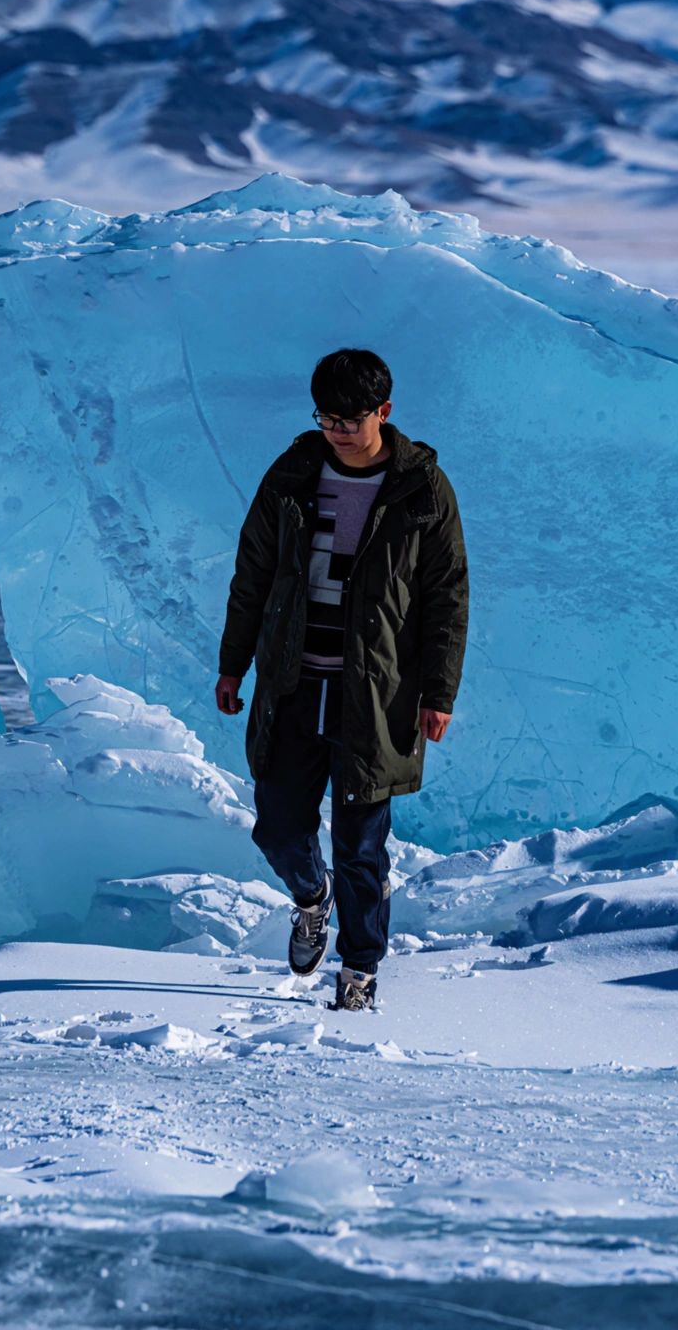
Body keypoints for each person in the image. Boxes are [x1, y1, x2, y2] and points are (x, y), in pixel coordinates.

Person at [214, 347, 469, 1011]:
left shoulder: (422, 488)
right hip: (294, 684)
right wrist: (233, 663)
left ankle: (359, 971)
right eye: (325, 418)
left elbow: (447, 595)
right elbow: (253, 575)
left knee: (360, 847)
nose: (336, 431)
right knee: (277, 828)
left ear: (384, 411)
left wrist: (439, 694)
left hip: (375, 695)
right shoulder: (293, 474)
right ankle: (309, 897)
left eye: (349, 419)